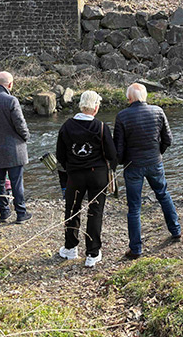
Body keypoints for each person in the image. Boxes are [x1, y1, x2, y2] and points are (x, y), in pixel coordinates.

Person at [114, 83, 181, 259]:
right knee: (163, 195)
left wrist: (121, 162)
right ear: (144, 96)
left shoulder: (122, 116)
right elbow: (168, 139)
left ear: (129, 98)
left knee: (134, 207)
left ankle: (136, 249)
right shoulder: (158, 111)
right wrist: (157, 153)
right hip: (154, 162)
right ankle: (176, 230)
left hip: (133, 166)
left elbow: (118, 148)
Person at [56, 91, 117, 268]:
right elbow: (112, 154)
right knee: (95, 212)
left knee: (72, 210)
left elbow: (60, 154)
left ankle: (70, 248)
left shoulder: (66, 126)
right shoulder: (101, 127)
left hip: (75, 175)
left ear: (81, 105)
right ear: (96, 107)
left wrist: (70, 166)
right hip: (97, 175)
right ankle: (92, 253)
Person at [0, 71, 32, 223]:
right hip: (14, 148)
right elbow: (20, 124)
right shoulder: (11, 100)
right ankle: (21, 213)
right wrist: (26, 137)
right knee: (16, 182)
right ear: (10, 84)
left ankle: (4, 212)